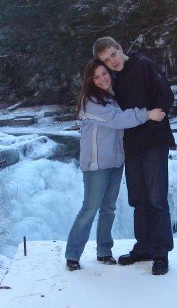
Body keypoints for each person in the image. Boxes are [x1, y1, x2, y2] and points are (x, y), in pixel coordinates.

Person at [65, 60, 165, 271]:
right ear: (90, 81)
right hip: (96, 164)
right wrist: (147, 114)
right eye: (96, 77)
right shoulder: (90, 101)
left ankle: (104, 251)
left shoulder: (111, 97)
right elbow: (117, 120)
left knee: (108, 209)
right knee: (90, 208)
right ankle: (72, 254)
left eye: (104, 73)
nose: (102, 79)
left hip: (115, 162)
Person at [93, 36, 175, 275]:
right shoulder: (114, 78)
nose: (112, 61)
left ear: (120, 48)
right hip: (131, 145)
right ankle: (144, 247)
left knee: (156, 199)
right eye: (106, 60)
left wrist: (153, 119)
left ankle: (161, 253)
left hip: (153, 142)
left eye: (113, 54)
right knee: (138, 199)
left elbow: (165, 96)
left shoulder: (143, 64)